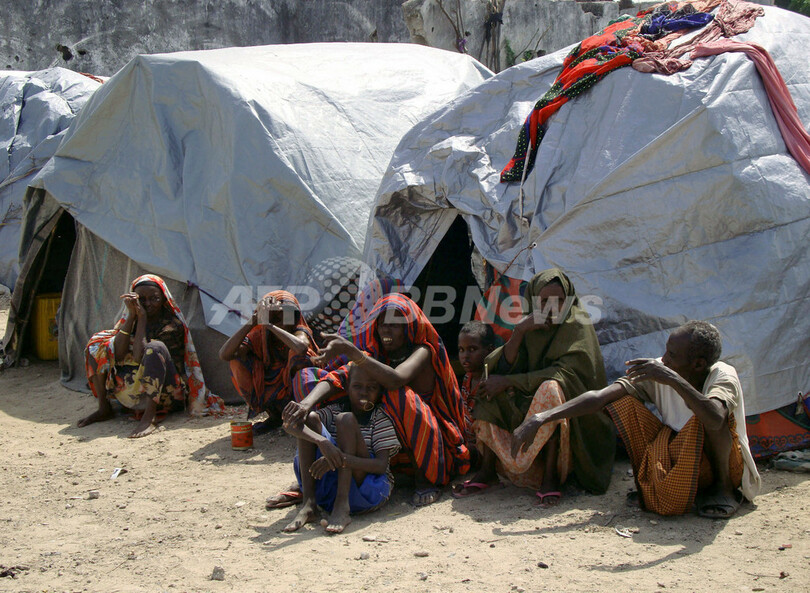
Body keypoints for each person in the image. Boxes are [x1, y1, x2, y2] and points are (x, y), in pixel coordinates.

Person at [512, 320, 761, 518]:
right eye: (665, 351)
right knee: (622, 403)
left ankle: (723, 491)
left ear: (698, 365)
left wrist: (672, 379)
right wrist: (540, 417)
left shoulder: (721, 375)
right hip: (684, 457)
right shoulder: (659, 370)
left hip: (725, 466)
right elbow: (599, 397)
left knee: (710, 419)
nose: (663, 360)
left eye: (672, 355)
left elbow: (715, 419)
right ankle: (655, 485)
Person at [284, 293, 470, 506]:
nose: (386, 331)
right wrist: (305, 405)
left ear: (409, 327)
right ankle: (316, 476)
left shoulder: (423, 350)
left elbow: (396, 379)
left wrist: (354, 353)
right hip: (385, 430)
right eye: (382, 325)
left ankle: (425, 478)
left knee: (401, 397)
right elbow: (342, 375)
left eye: (394, 325)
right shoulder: (375, 352)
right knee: (310, 379)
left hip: (428, 432)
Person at [456, 268, 615, 504]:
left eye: (559, 301)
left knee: (550, 390)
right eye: (544, 302)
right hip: (528, 399)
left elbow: (566, 374)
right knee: (491, 382)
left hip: (573, 417)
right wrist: (519, 331)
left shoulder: (576, 327)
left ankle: (550, 476)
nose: (552, 308)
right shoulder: (531, 325)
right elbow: (501, 364)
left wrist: (511, 381)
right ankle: (488, 470)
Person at [78, 274, 224, 438]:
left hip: (165, 395)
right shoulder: (131, 319)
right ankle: (104, 408)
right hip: (130, 390)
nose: (148, 304)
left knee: (155, 348)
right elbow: (118, 354)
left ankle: (150, 417)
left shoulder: (171, 326)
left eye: (154, 299)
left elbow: (140, 356)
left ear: (163, 300)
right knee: (96, 344)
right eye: (142, 300)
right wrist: (132, 316)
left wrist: (142, 319)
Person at [281, 363, 400, 534]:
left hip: (369, 491)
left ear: (379, 391)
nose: (364, 393)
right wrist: (322, 442)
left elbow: (381, 466)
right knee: (310, 418)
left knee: (346, 420)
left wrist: (339, 460)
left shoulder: (379, 419)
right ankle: (309, 503)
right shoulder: (334, 410)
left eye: (371, 388)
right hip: (330, 491)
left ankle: (342, 506)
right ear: (347, 387)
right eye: (357, 386)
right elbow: (290, 425)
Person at [219, 291, 318, 434]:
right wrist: (253, 321)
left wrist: (270, 325)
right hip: (274, 391)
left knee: (300, 357)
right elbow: (225, 354)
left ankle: (303, 417)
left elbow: (301, 348)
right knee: (237, 359)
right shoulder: (260, 336)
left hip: (299, 395)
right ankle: (276, 417)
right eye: (276, 316)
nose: (283, 320)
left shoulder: (299, 331)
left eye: (287, 315)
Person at [457, 320, 497, 463]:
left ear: (490, 350)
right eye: (461, 349)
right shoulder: (468, 377)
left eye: (472, 349)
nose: (465, 356)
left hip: (485, 449)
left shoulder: (491, 383)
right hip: (467, 441)